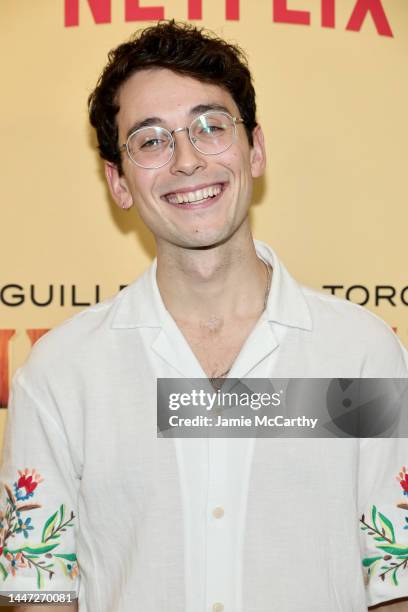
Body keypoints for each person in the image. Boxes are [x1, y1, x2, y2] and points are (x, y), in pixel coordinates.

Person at [1, 20, 407, 612]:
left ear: (256, 148)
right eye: (150, 140)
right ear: (118, 181)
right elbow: (38, 597)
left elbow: (396, 583)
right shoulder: (63, 373)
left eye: (210, 126)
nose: (187, 160)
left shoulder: (361, 354)